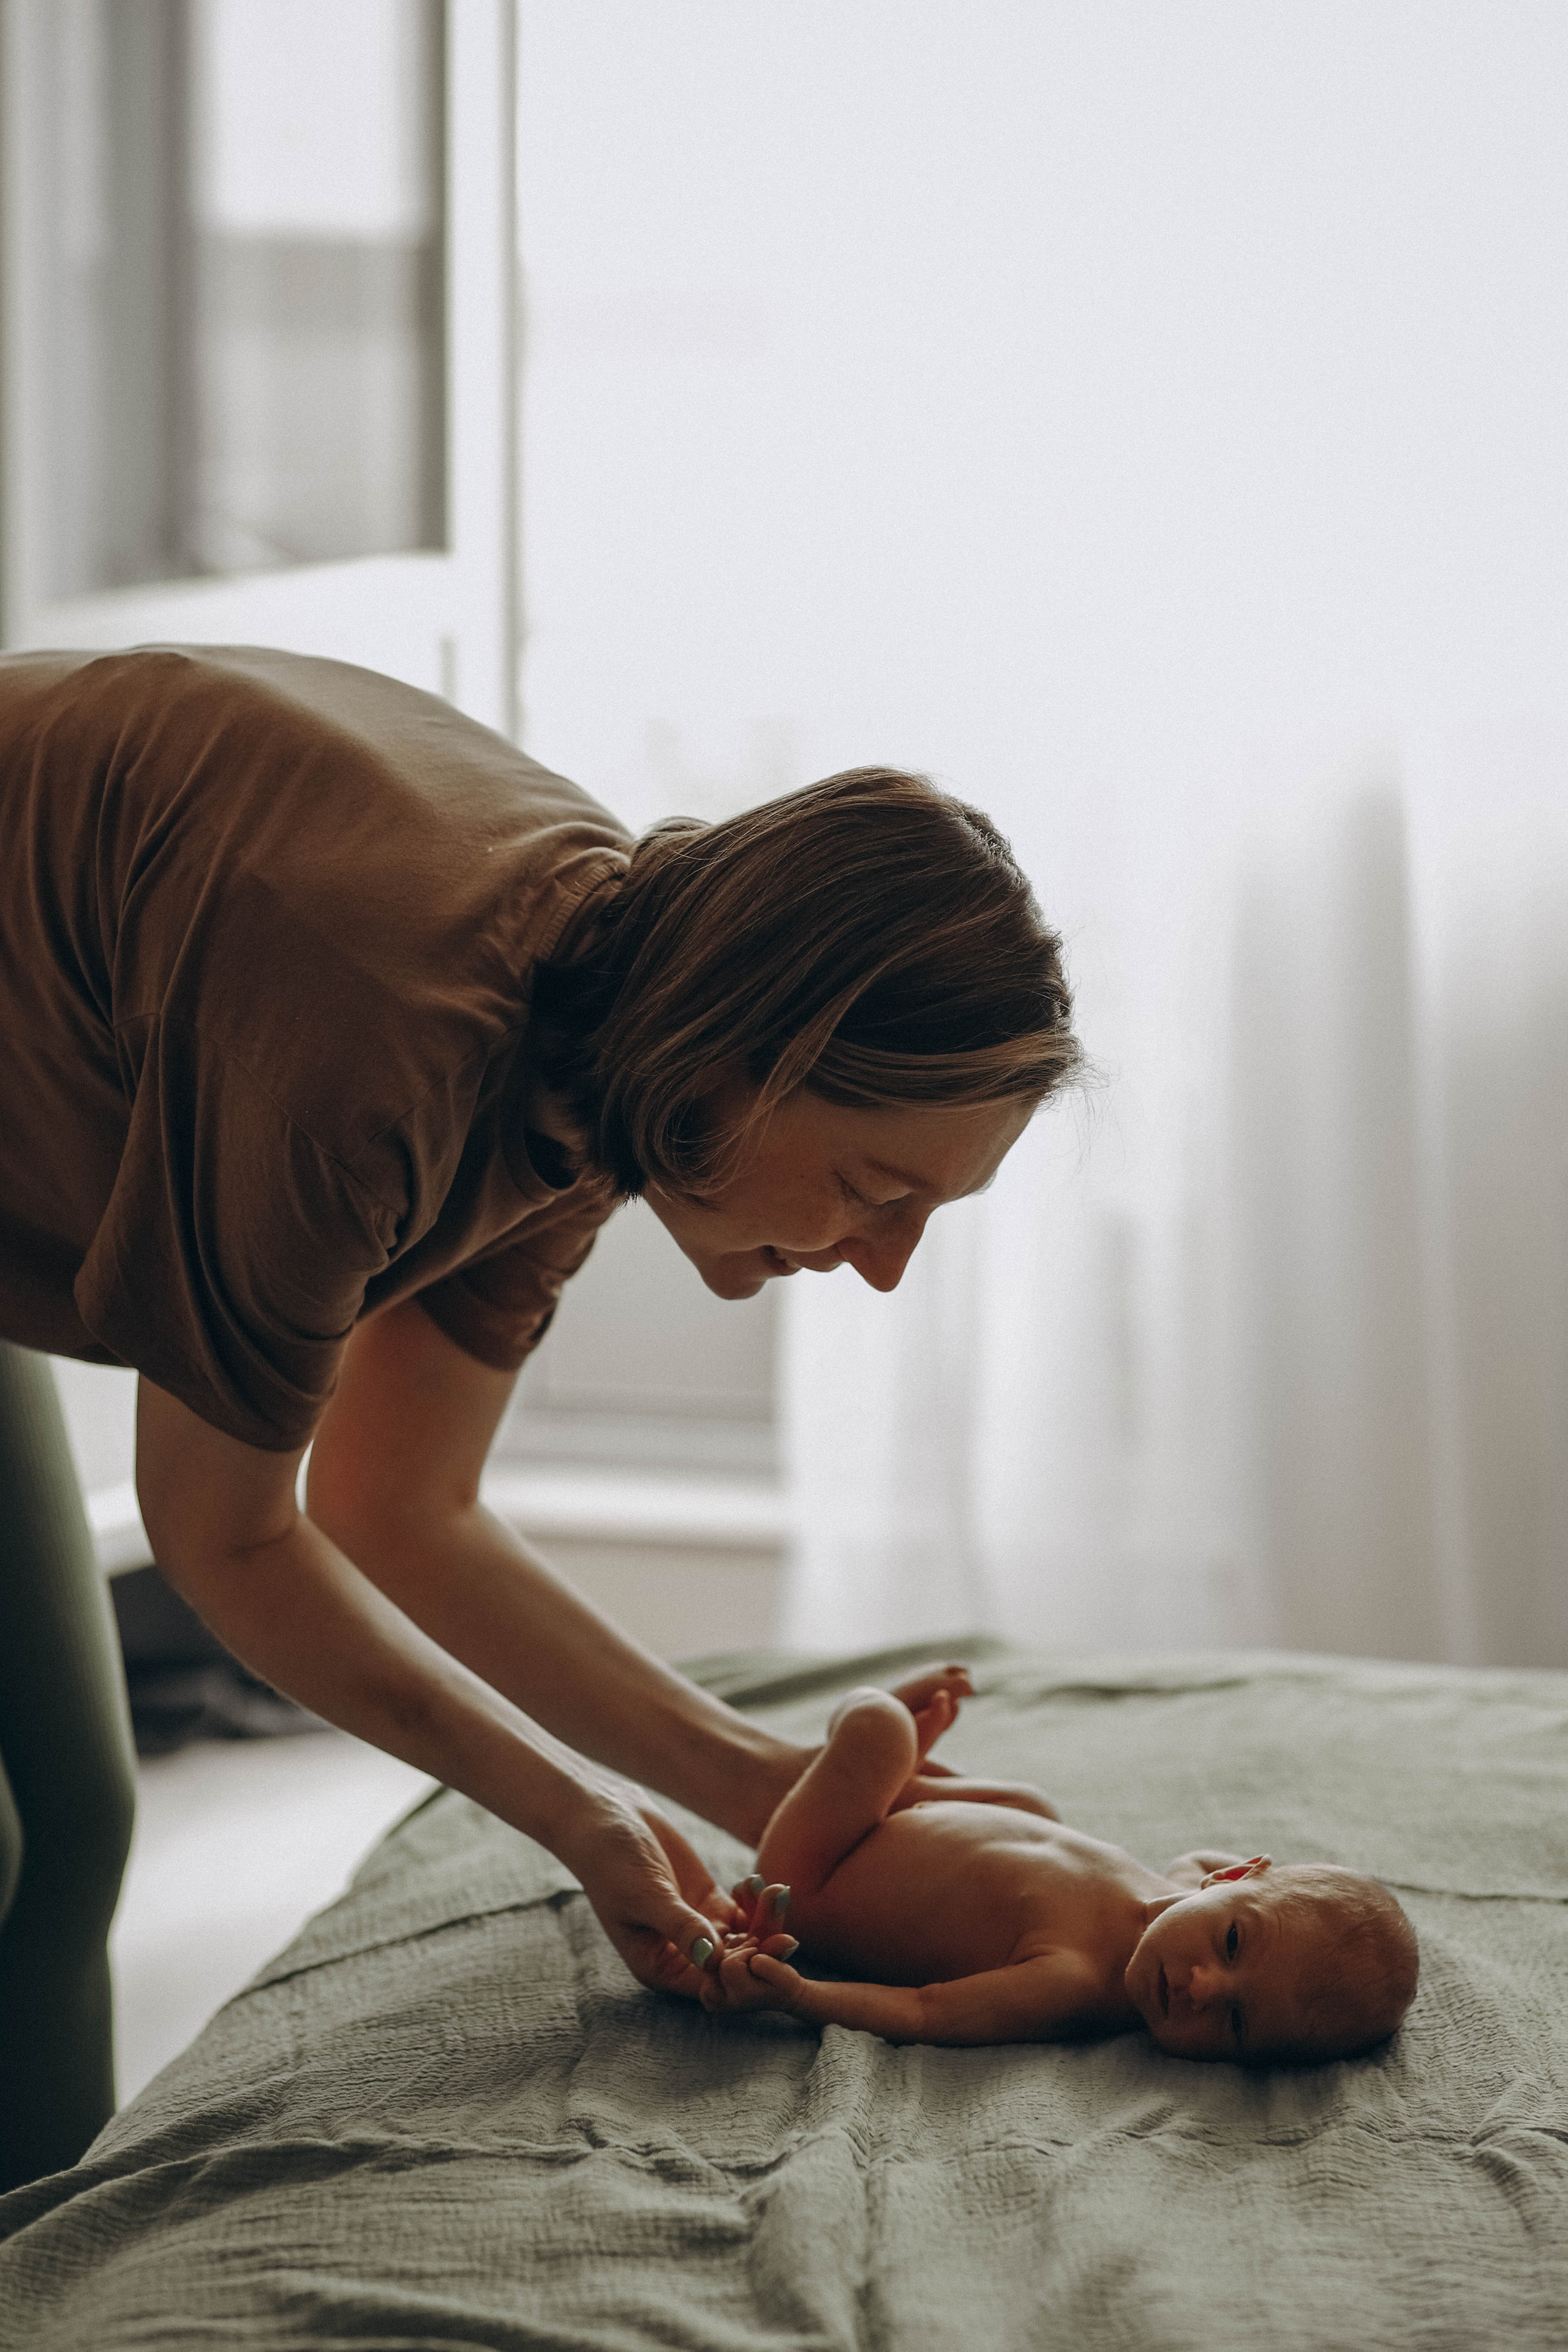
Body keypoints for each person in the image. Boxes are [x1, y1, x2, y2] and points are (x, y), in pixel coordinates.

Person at [0, 643, 1083, 2186]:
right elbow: (224, 1533)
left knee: (70, 1831)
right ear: (748, 1055)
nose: (885, 1267)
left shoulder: (604, 1066)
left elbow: (399, 1502)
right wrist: (580, 1818)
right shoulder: (378, 1027)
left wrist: (755, 1782)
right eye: (872, 1188)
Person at [705, 1667, 1420, 2063]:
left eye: (1234, 2022)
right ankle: (902, 1784)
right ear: (1234, 1880)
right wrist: (1248, 1884)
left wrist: (797, 1996)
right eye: (1234, 1944)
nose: (1202, 1987)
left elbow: (925, 2012)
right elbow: (1199, 1862)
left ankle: (881, 1763)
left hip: (818, 1874)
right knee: (1031, 1805)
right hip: (909, 1836)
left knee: (876, 1726)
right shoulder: (1181, 1890)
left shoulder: (1071, 1980)